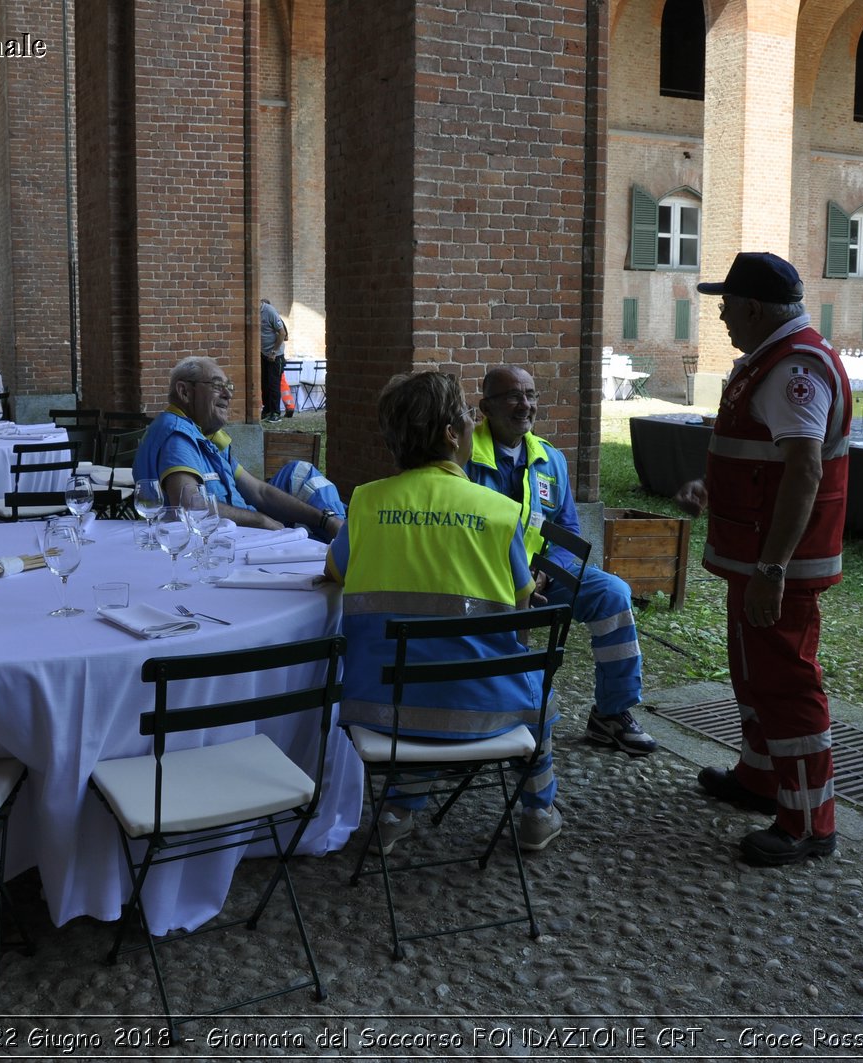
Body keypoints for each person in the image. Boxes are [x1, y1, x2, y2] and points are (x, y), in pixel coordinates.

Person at [326, 369, 563, 854]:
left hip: (378, 706)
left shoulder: (366, 502)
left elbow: (335, 572)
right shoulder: (499, 511)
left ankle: (398, 808)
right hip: (483, 704)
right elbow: (520, 611)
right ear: (452, 435)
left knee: (425, 683)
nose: (473, 424)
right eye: (466, 417)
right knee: (537, 698)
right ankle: (539, 811)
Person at [673, 251, 851, 867]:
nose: (721, 316)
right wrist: (712, 488)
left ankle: (807, 822)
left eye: (726, 306)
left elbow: (804, 469)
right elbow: (770, 461)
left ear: (753, 308)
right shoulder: (772, 361)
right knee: (752, 673)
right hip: (755, 559)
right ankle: (760, 777)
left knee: (786, 685)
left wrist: (774, 570)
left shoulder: (793, 369)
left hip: (778, 568)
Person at [466, 365, 658, 757]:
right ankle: (501, 713)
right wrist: (516, 577)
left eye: (531, 395)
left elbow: (567, 529)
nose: (525, 405)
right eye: (513, 397)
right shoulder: (465, 456)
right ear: (485, 407)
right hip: (483, 585)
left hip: (544, 581)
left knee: (613, 594)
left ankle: (612, 712)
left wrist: (545, 570)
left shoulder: (548, 459)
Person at [133, 355, 344, 538]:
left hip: (247, 531)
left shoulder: (204, 436)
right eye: (217, 386)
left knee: (298, 473)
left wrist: (324, 520)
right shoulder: (176, 435)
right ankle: (346, 543)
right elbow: (191, 505)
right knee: (313, 498)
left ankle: (339, 530)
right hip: (233, 541)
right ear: (185, 392)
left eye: (228, 387)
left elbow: (259, 492)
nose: (228, 395)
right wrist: (260, 521)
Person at [259, 297, 288, 421]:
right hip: (263, 353)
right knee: (264, 383)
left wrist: (274, 352)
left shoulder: (270, 311)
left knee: (273, 383)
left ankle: (276, 412)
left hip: (275, 355)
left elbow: (283, 334)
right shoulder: (254, 312)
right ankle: (267, 409)